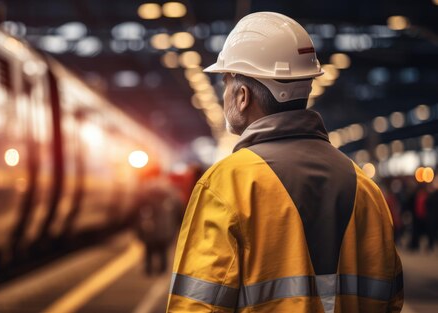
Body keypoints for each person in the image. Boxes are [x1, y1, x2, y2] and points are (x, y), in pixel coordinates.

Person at [167, 12, 403, 313]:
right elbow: (391, 301)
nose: (223, 92)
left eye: (226, 80)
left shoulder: (226, 185)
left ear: (242, 96)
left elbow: (196, 307)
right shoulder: (365, 188)